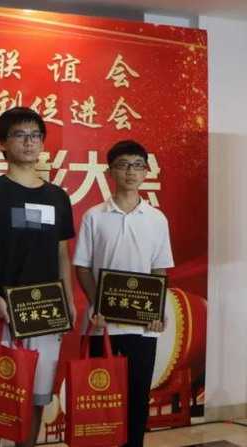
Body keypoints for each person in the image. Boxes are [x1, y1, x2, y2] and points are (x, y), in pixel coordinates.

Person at [0, 107, 76, 447]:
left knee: (36, 398)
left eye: (35, 136)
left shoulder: (57, 197)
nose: (29, 142)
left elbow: (62, 253)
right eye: (19, 135)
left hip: (44, 312)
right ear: (2, 143)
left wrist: (69, 301)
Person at [73, 139, 173, 447]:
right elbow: (82, 267)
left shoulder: (157, 219)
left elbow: (159, 270)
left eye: (137, 165)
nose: (131, 171)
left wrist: (156, 312)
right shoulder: (94, 216)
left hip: (143, 326)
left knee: (137, 397)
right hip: (102, 324)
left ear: (146, 172)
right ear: (110, 172)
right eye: (123, 165)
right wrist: (97, 304)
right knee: (101, 398)